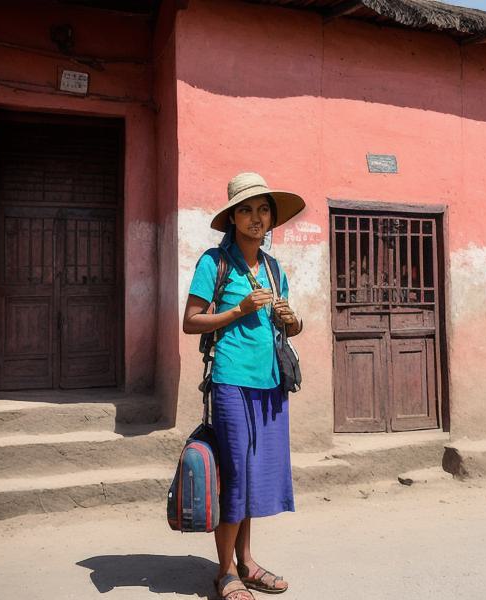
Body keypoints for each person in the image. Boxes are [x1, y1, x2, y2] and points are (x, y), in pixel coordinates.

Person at [182, 172, 305, 600]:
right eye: (247, 210)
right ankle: (224, 572)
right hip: (230, 381)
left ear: (271, 219)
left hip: (269, 384)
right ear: (232, 218)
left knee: (252, 478)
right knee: (234, 475)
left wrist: (291, 319)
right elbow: (190, 322)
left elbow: (292, 326)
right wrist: (237, 309)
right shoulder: (212, 263)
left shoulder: (273, 269)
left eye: (263, 209)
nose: (256, 217)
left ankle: (247, 563)